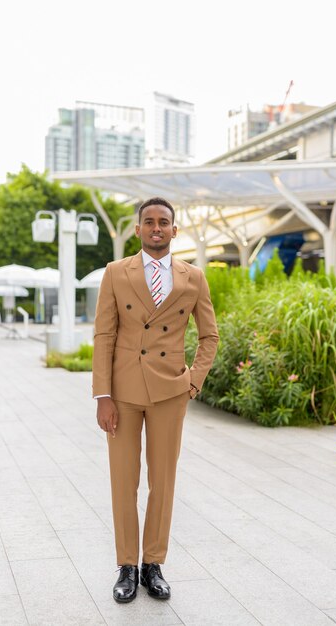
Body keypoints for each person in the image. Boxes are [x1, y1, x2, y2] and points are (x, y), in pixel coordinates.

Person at [93, 197, 218, 603]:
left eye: (164, 222)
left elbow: (210, 335)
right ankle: (127, 566)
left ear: (174, 230)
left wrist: (193, 382)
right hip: (124, 393)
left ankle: (154, 565)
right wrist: (103, 395)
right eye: (149, 221)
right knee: (122, 482)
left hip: (169, 392)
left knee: (162, 482)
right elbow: (104, 336)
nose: (157, 228)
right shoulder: (115, 272)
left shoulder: (193, 277)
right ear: (138, 229)